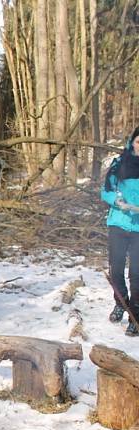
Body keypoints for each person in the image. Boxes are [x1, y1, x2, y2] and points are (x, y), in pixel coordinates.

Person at [101, 126, 139, 336]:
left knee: (136, 274)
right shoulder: (119, 162)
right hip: (118, 222)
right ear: (132, 142)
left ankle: (136, 313)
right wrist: (117, 201)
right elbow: (106, 190)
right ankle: (121, 302)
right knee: (116, 271)